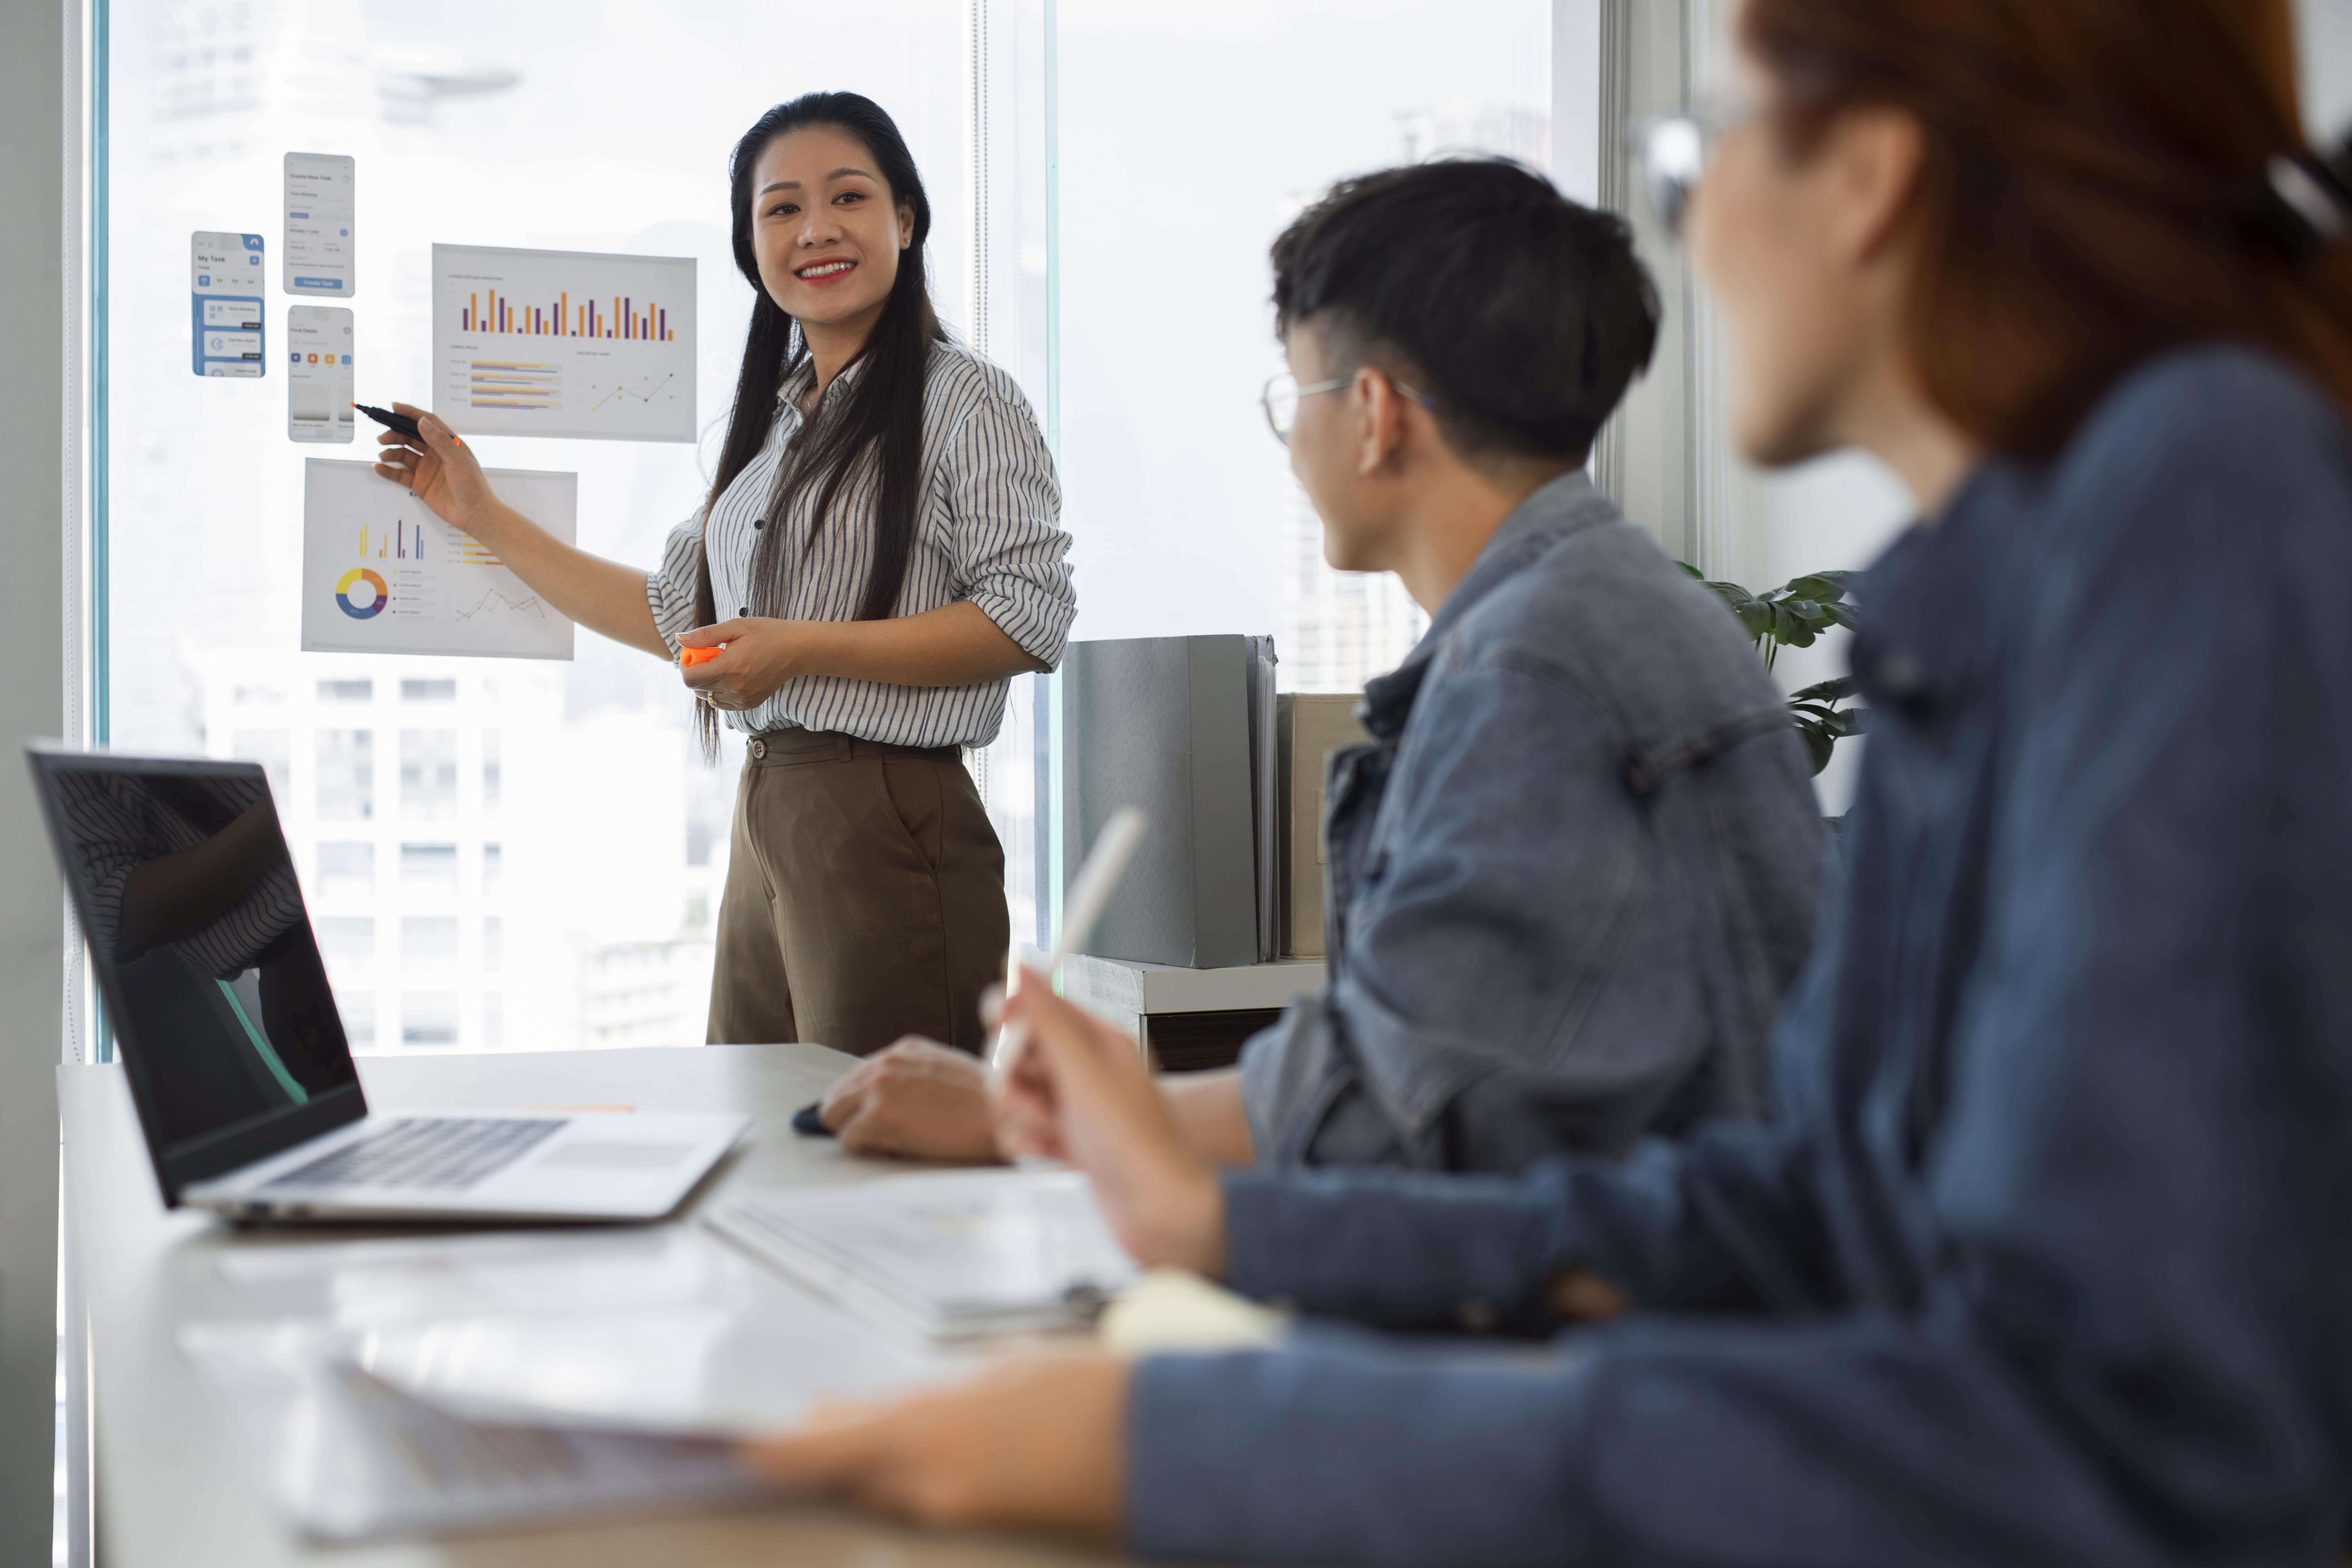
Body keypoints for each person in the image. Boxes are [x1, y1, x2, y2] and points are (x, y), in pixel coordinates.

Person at [741, 0, 2352, 1561]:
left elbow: (2119, 1449)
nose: (1692, 219)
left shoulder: (2190, 509)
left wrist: (1175, 1441)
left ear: (1865, 170)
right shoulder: (2013, 576)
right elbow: (1802, 1211)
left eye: (1699, 142)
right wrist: (1227, 1221)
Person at [816, 159, 1827, 1173]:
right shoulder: (1600, 613)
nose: (1293, 439)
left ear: (1377, 412)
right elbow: (1431, 1057)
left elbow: (1404, 1112)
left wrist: (1032, 1121)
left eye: (1297, 394)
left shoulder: (1534, 671)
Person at [374, 92, 1073, 1056]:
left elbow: (1027, 617)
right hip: (769, 809)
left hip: (887, 811)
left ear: (905, 220)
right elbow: (672, 613)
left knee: (875, 1163)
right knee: (760, 1131)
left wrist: (797, 650)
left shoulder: (965, 399)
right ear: (753, 248)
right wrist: (481, 515)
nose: (816, 229)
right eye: (781, 209)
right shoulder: (779, 427)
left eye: (849, 199)